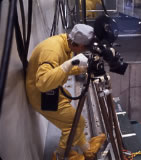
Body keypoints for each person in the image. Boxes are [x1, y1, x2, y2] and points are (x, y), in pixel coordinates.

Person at [26, 24, 106, 160]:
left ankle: (87, 149)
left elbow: (62, 67)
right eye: (85, 48)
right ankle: (59, 154)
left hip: (54, 89)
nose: (85, 51)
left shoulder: (65, 43)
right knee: (76, 122)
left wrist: (82, 68)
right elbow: (43, 83)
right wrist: (68, 64)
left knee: (74, 121)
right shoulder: (52, 51)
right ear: (78, 45)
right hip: (42, 95)